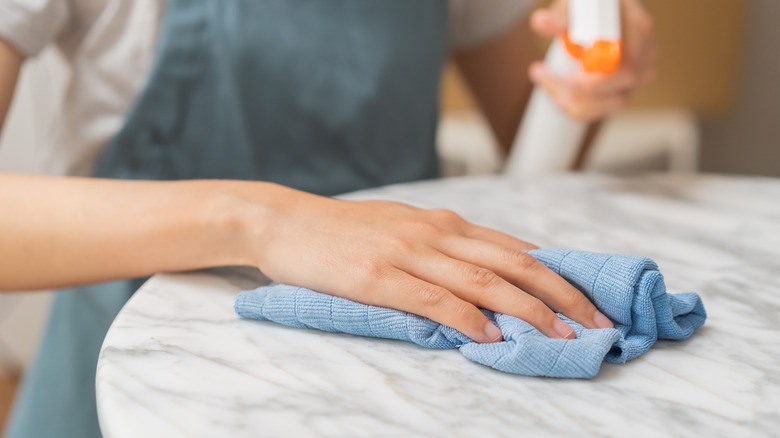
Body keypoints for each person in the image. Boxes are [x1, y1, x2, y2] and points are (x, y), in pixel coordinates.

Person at [0, 0, 656, 436]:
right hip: (125, 364)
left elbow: (538, 140)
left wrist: (587, 75)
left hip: (392, 378)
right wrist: (260, 220)